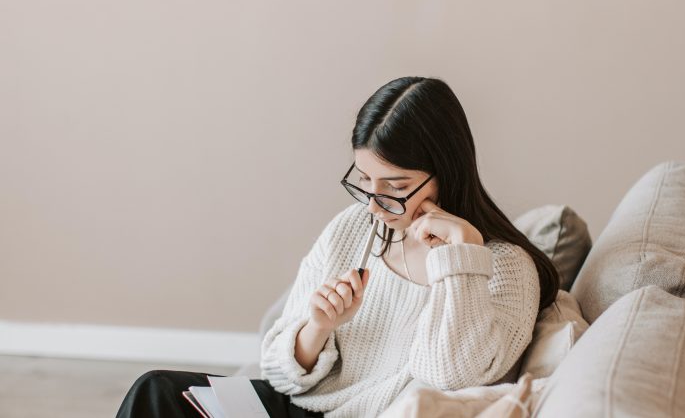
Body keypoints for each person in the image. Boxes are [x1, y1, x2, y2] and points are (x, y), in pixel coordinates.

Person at [116, 76, 559, 418]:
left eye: (396, 186)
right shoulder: (355, 228)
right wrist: (318, 328)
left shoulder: (504, 269)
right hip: (303, 407)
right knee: (155, 391)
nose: (375, 203)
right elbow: (277, 368)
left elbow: (450, 377)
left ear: (446, 170)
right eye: (365, 181)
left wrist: (460, 254)